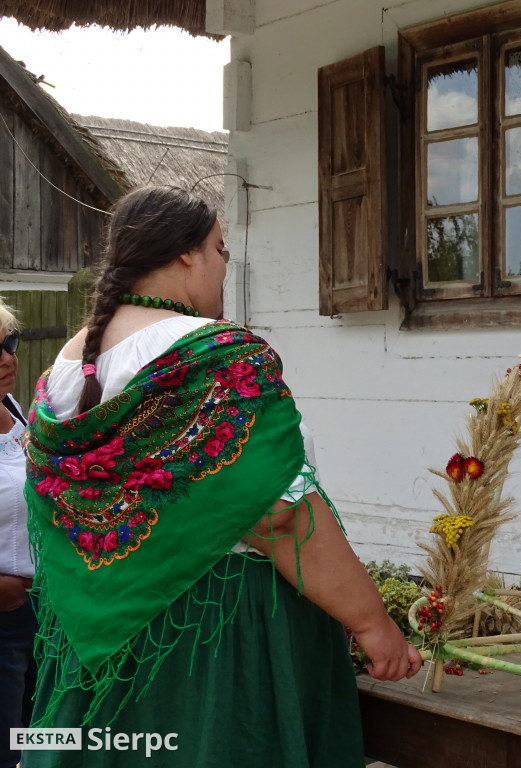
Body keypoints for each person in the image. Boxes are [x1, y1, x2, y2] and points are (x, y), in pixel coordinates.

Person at [22, 185, 421, 767]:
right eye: (219, 249)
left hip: (94, 647)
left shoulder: (66, 362)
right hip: (211, 640)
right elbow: (279, 516)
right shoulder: (221, 356)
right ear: (186, 254)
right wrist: (372, 622)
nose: (223, 265)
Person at [0, 300, 35, 768]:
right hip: (3, 618)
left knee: (39, 745)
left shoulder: (12, 408)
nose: (6, 358)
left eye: (8, 344)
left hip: (38, 614)